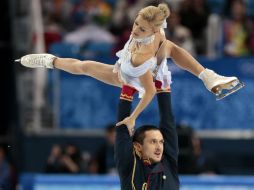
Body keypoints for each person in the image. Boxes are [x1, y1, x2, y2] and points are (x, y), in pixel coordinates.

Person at [16, 3, 243, 129]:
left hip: (130, 75)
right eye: (136, 24)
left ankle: (207, 75)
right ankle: (48, 60)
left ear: (154, 30)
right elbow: (156, 27)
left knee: (170, 48)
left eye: (142, 30)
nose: (134, 30)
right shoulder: (156, 26)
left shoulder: (141, 57)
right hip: (133, 65)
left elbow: (150, 91)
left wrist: (133, 117)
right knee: (82, 66)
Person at [115, 86, 178, 189]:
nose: (159, 147)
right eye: (153, 142)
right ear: (138, 146)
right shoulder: (129, 167)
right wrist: (127, 91)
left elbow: (168, 122)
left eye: (161, 142)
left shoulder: (169, 164)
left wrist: (163, 88)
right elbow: (122, 131)